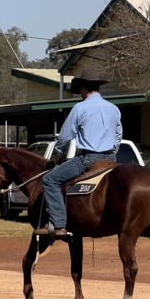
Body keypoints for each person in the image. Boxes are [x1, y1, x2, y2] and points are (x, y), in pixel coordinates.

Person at [35, 69, 123, 238]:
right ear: (97, 87)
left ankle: (58, 223)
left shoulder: (80, 108)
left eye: (80, 91)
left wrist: (59, 153)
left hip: (88, 159)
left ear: (83, 89)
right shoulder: (113, 109)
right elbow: (118, 135)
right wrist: (112, 152)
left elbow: (66, 135)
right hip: (111, 160)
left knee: (50, 180)